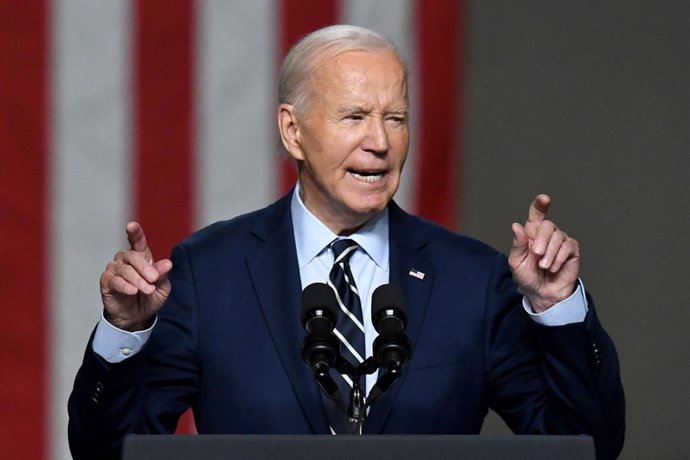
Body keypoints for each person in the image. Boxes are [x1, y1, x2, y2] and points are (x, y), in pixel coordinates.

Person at [68, 25, 624, 460]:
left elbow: (584, 447)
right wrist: (125, 332)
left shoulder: (472, 281)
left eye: (396, 118)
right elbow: (108, 453)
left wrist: (557, 311)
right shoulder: (209, 273)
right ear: (293, 131)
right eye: (354, 116)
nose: (379, 142)